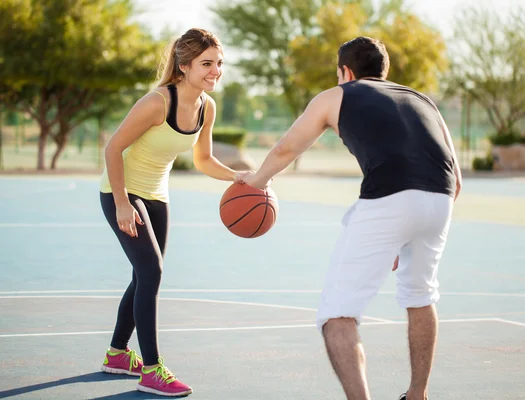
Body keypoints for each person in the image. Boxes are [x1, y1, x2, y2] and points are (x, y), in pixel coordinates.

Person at [242, 36, 462, 400]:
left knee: (336, 316)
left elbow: (287, 148)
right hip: (440, 199)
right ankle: (418, 394)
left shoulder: (337, 95)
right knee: (421, 296)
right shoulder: (425, 101)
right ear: (384, 71)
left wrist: (255, 182)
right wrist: (401, 233)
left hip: (389, 198)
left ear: (345, 71)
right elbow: (456, 180)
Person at [98, 28, 249, 397]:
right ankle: (152, 370)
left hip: (156, 195)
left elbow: (204, 160)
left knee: (143, 275)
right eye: (207, 64)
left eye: (219, 64)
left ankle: (117, 354)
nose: (216, 71)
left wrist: (239, 177)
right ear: (184, 66)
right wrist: (121, 203)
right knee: (152, 271)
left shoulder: (206, 107)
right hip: (122, 190)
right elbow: (113, 149)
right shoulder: (156, 102)